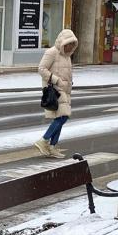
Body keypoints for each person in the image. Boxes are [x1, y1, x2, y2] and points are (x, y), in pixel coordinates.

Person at [35, 29, 78, 159]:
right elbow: (41, 69)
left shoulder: (67, 56)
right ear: (63, 42)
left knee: (61, 117)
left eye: (73, 44)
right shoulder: (52, 52)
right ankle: (44, 140)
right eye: (69, 44)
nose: (71, 46)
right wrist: (56, 80)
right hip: (55, 90)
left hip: (65, 90)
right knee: (62, 117)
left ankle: (52, 146)